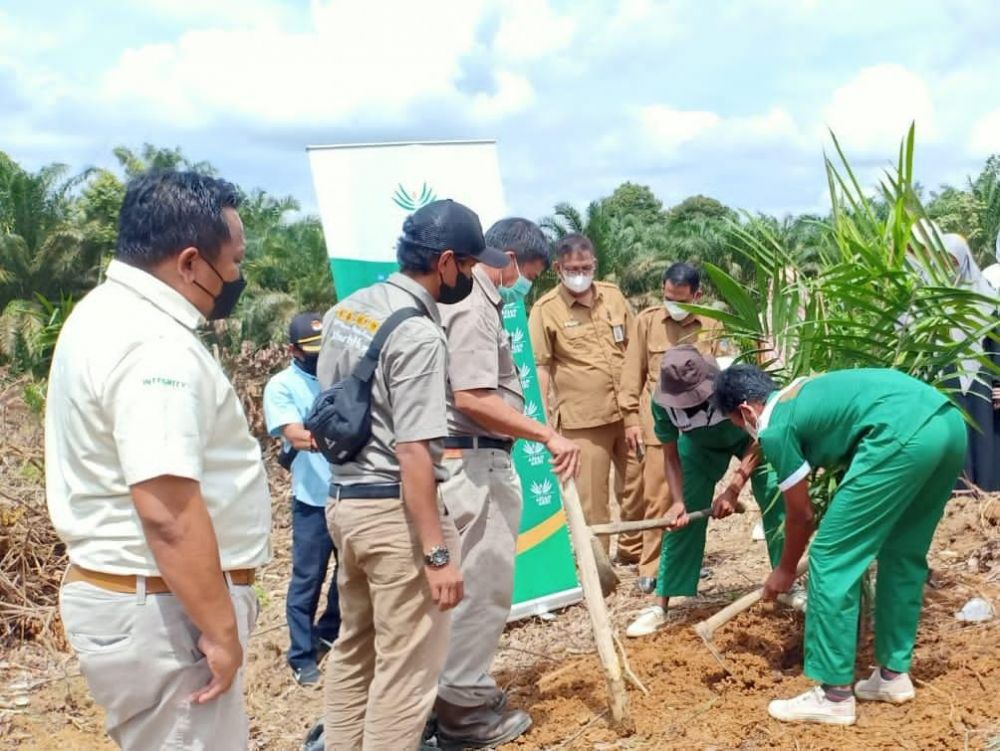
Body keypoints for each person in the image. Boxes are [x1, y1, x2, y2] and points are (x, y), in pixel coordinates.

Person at [46, 170, 270, 750]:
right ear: (191, 263)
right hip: (166, 610)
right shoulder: (155, 347)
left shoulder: (102, 313)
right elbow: (168, 510)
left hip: (146, 598)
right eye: (235, 261)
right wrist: (220, 628)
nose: (239, 277)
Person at [316, 199, 509, 751]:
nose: (469, 278)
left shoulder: (347, 311)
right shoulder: (420, 335)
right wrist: (437, 554)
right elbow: (415, 452)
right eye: (469, 267)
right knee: (407, 671)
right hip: (394, 515)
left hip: (344, 503)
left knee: (357, 649)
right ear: (445, 262)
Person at [714, 364, 967, 726]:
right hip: (947, 424)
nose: (748, 433)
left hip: (901, 436)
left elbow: (801, 516)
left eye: (739, 426)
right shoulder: (802, 390)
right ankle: (892, 676)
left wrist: (784, 570)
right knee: (902, 551)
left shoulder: (775, 425)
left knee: (831, 556)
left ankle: (833, 695)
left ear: (745, 412)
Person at [434, 218, 581, 747]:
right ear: (511, 260)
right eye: (531, 274)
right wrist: (546, 434)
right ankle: (463, 713)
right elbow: (473, 398)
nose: (527, 287)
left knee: (465, 588)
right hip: (473, 464)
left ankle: (451, 692)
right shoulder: (474, 303)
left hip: (464, 461)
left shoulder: (465, 299)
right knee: (483, 588)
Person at [625, 346, 786, 637]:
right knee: (682, 517)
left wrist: (734, 488)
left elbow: (762, 435)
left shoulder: (734, 382)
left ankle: (788, 582)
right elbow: (670, 455)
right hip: (699, 448)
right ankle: (661, 603)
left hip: (749, 439)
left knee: (775, 493)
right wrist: (676, 502)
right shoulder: (662, 403)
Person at [528, 233, 642, 550]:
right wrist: (545, 424)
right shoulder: (545, 310)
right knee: (593, 500)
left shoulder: (613, 295)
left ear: (594, 264)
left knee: (638, 484)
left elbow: (635, 348)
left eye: (585, 267)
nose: (580, 274)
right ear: (558, 268)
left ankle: (633, 550)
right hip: (584, 421)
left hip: (627, 413)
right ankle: (598, 564)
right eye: (573, 268)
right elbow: (541, 368)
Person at [619, 262, 729, 593]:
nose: (673, 304)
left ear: (697, 295)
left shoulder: (712, 323)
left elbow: (718, 372)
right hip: (659, 419)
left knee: (692, 496)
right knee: (658, 495)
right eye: (668, 297)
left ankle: (685, 566)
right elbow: (632, 373)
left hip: (700, 422)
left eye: (681, 299)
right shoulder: (647, 321)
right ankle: (650, 565)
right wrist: (630, 419)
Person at [263, 312, 341, 686]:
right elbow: (295, 435)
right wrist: (343, 433)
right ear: (293, 350)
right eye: (311, 350)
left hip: (349, 494)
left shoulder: (339, 375)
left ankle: (328, 632)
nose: (318, 355)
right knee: (307, 579)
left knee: (351, 574)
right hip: (313, 499)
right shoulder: (282, 386)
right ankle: (301, 655)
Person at [940, 234, 1000, 491]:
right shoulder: (933, 301)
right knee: (954, 442)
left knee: (986, 444)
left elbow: (997, 348)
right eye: (944, 262)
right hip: (947, 382)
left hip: (983, 386)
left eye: (954, 261)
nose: (950, 268)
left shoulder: (987, 302)